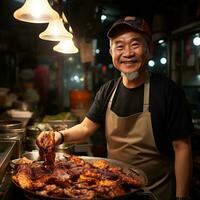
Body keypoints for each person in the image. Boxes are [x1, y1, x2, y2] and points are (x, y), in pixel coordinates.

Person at [37, 16, 193, 200]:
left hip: (155, 192)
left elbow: (182, 148)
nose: (127, 53)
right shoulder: (108, 90)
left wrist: (182, 197)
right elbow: (86, 128)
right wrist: (59, 136)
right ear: (112, 53)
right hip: (113, 190)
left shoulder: (168, 91)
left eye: (135, 44)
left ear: (150, 49)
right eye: (119, 46)